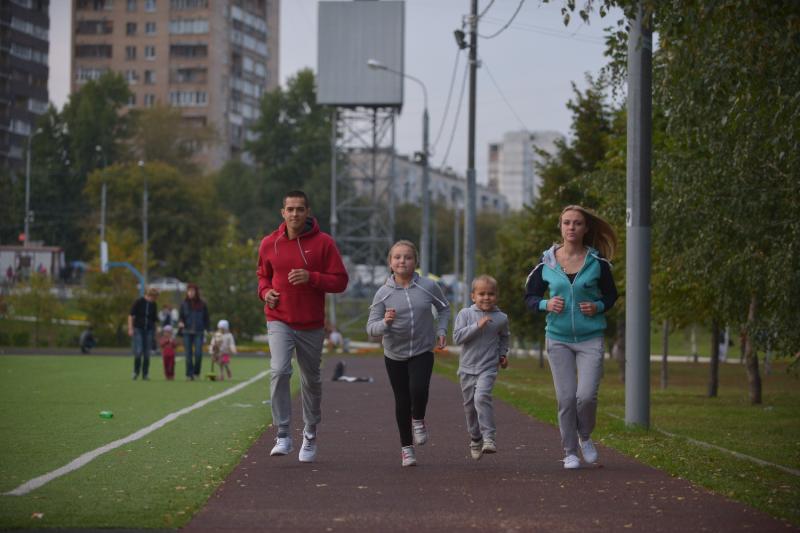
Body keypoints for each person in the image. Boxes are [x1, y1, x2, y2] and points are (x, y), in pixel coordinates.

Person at [257, 190, 349, 463]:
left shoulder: (324, 243)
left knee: (311, 381)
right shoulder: (268, 244)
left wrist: (312, 277)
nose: (294, 214)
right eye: (290, 209)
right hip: (279, 319)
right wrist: (265, 294)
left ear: (308, 212)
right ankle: (283, 434)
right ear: (282, 212)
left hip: (310, 324)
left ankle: (310, 433)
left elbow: (340, 281)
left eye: (300, 209)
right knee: (279, 370)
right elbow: (263, 276)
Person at [524, 205, 618, 469]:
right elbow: (529, 297)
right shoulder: (546, 263)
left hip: (590, 338)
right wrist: (545, 304)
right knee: (566, 398)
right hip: (558, 339)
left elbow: (611, 295)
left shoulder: (597, 263)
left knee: (586, 396)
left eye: (577, 223)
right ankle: (569, 451)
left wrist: (598, 306)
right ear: (560, 227)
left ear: (586, 228)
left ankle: (585, 436)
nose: (571, 228)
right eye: (567, 223)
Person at [366, 240, 450, 467]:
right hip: (394, 353)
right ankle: (406, 448)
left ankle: (419, 419)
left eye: (408, 257)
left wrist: (442, 329)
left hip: (422, 349)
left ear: (416, 262)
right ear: (390, 263)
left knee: (419, 389)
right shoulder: (382, 293)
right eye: (397, 257)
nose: (402, 261)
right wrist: (385, 323)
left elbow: (444, 308)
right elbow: (371, 327)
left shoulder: (429, 286)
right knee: (402, 399)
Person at [452, 275, 510, 461]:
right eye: (482, 294)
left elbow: (504, 337)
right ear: (473, 296)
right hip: (467, 369)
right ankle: (475, 438)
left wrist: (502, 354)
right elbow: (458, 338)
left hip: (488, 367)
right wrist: (477, 325)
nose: (486, 297)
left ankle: (489, 438)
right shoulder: (465, 314)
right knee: (470, 408)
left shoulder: (501, 318)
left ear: (497, 296)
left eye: (491, 294)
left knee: (482, 397)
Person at [178, 283, 210, 381]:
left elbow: (206, 318)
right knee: (188, 354)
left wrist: (208, 330)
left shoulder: (202, 304)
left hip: (199, 332)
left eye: (193, 291)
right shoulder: (183, 304)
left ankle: (196, 373)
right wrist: (180, 323)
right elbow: (181, 317)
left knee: (198, 354)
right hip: (187, 331)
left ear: (196, 292)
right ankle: (189, 374)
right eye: (189, 291)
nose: (191, 293)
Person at [128, 286, 160, 380]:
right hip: (138, 329)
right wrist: (130, 328)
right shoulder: (139, 302)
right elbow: (131, 315)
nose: (155, 299)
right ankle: (135, 371)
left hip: (149, 330)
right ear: (149, 295)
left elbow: (154, 319)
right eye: (154, 297)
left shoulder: (154, 305)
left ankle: (145, 374)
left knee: (147, 353)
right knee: (138, 351)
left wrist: (156, 330)